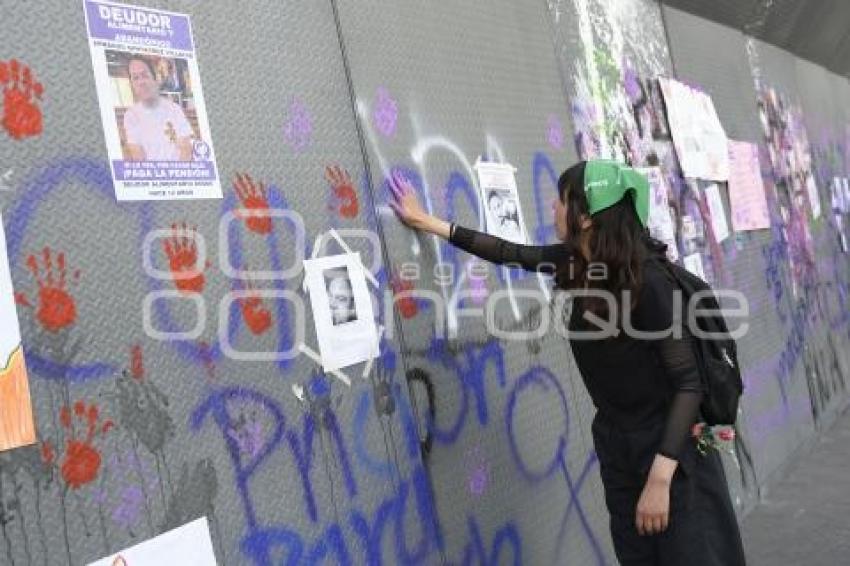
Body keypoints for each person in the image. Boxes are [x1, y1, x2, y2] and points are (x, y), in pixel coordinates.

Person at [388, 159, 746, 566]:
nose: (553, 208)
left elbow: (688, 384)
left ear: (588, 217)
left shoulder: (651, 283)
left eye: (562, 200)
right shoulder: (580, 264)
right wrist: (426, 221)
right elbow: (510, 252)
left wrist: (661, 478)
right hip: (618, 445)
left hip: (671, 454)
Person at [123, 56, 193, 161]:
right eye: (135, 78)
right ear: (132, 85)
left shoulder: (174, 109)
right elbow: (138, 156)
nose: (141, 82)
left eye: (145, 75)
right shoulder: (131, 115)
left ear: (155, 78)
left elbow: (186, 149)